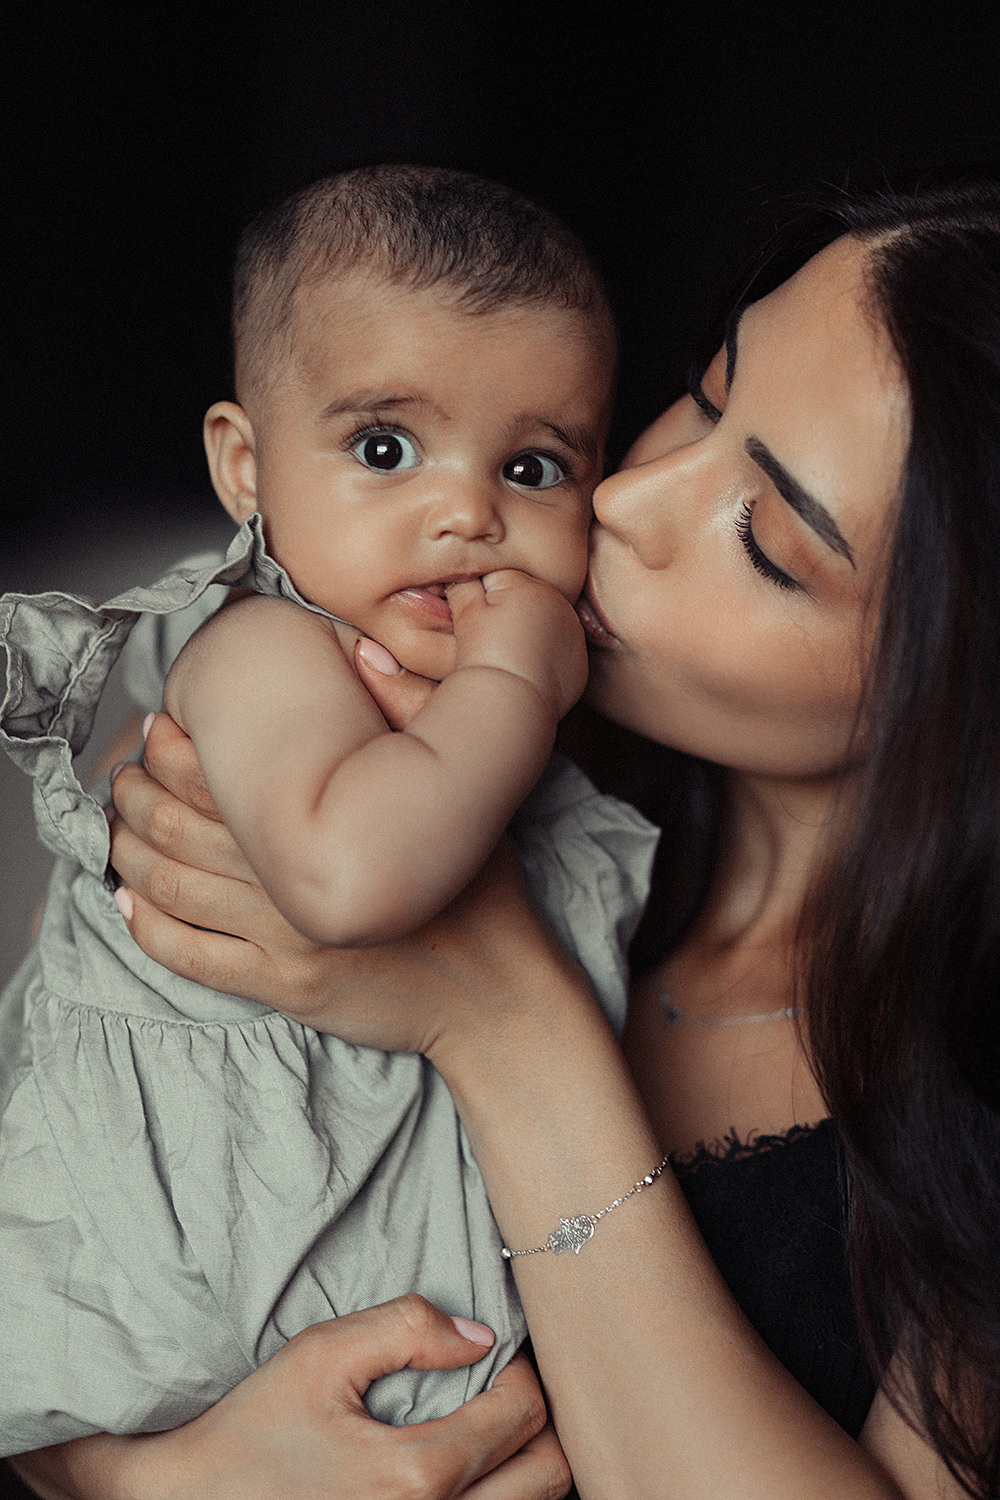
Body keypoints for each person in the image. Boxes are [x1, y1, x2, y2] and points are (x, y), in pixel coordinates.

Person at [12, 168, 1000, 1499]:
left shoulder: (971, 1094)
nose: (620, 504)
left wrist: (505, 1023)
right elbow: (99, 1139)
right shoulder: (412, 727)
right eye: (702, 397)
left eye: (767, 538)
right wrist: (147, 1479)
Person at [0, 164, 659, 1451]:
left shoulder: (469, 709)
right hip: (202, 1255)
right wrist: (517, 675)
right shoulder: (261, 654)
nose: (466, 512)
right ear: (245, 470)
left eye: (532, 465)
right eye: (383, 448)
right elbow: (355, 877)